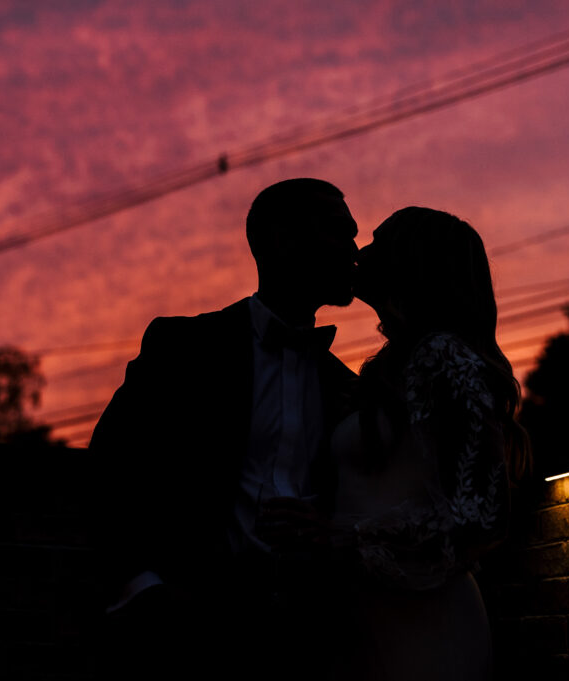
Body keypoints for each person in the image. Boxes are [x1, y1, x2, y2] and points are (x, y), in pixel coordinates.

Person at [89, 178, 359, 680]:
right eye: (339, 233)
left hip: (312, 642)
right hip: (190, 634)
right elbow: (109, 466)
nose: (354, 250)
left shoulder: (348, 386)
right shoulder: (183, 348)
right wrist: (144, 587)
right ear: (282, 241)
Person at [328, 207, 531, 680]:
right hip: (377, 626)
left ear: (412, 261)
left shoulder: (442, 355)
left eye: (378, 242)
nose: (362, 252)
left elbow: (481, 518)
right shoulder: (394, 367)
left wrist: (341, 536)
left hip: (425, 630)